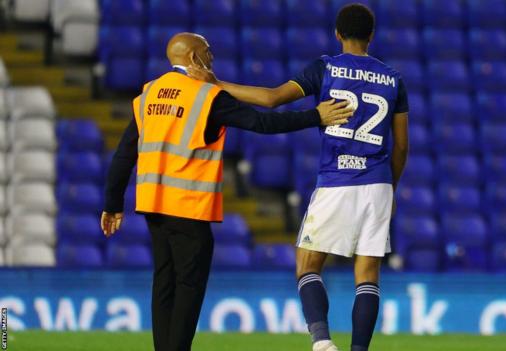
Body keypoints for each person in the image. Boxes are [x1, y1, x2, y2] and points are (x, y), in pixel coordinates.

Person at [100, 32, 353, 351]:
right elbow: (263, 124)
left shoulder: (147, 95)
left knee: (164, 283)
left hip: (154, 206)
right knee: (188, 288)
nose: (212, 58)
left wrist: (112, 203)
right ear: (193, 58)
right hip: (189, 207)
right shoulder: (205, 96)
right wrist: (316, 115)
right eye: (207, 52)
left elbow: (125, 153)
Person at [189, 4, 409, 351]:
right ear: (372, 36)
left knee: (307, 265)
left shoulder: (326, 68)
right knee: (367, 276)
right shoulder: (394, 79)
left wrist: (217, 84)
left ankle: (322, 342)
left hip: (338, 179)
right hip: (378, 181)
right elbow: (402, 147)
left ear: (337, 34)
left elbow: (272, 98)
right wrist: (390, 188)